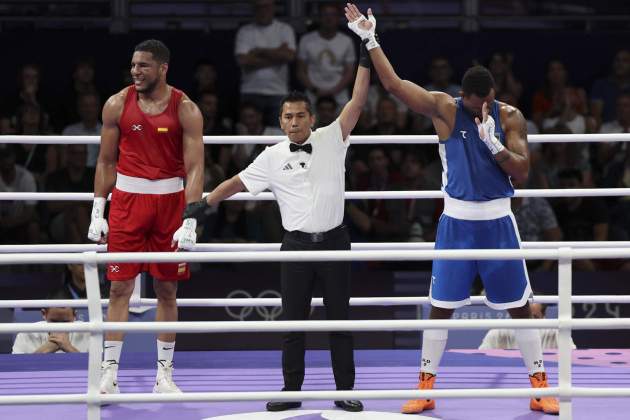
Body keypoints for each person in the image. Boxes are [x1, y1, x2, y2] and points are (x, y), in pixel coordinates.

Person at [344, 3, 559, 415]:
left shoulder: (511, 118)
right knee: (440, 305)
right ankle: (425, 386)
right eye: (472, 104)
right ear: (466, 95)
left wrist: (494, 145)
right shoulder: (445, 108)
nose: (478, 110)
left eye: (484, 104)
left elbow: (524, 172)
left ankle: (539, 386)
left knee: (519, 306)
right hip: (456, 223)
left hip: (498, 222)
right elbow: (393, 86)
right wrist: (370, 39)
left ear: (494, 96)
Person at [184, 37, 372, 413]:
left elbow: (356, 102)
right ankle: (290, 390)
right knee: (293, 322)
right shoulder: (270, 156)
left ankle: (346, 390)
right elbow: (236, 182)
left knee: (340, 320)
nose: (294, 122)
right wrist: (203, 204)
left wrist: (366, 52)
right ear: (280, 120)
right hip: (297, 246)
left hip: (335, 242)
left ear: (311, 118)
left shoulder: (333, 137)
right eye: (287, 116)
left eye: (300, 115)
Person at [87, 39, 204, 395]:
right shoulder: (117, 104)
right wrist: (98, 210)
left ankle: (164, 376)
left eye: (143, 66)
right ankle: (109, 375)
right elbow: (106, 161)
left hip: (170, 203)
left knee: (167, 289)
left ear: (163, 68)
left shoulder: (186, 109)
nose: (135, 71)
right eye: (133, 65)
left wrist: (191, 219)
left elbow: (196, 166)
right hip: (127, 203)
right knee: (119, 287)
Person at [479, 303, 576, 350]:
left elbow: (572, 355)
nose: (529, 322)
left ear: (543, 316)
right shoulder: (498, 331)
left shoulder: (555, 332)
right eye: (523, 316)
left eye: (534, 317)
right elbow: (481, 357)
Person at [12, 297, 90, 354]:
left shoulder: (88, 332)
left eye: (65, 322)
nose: (59, 327)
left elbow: (100, 369)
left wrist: (69, 348)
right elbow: (15, 369)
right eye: (54, 321)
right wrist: (46, 349)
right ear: (44, 314)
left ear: (74, 316)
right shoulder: (25, 334)